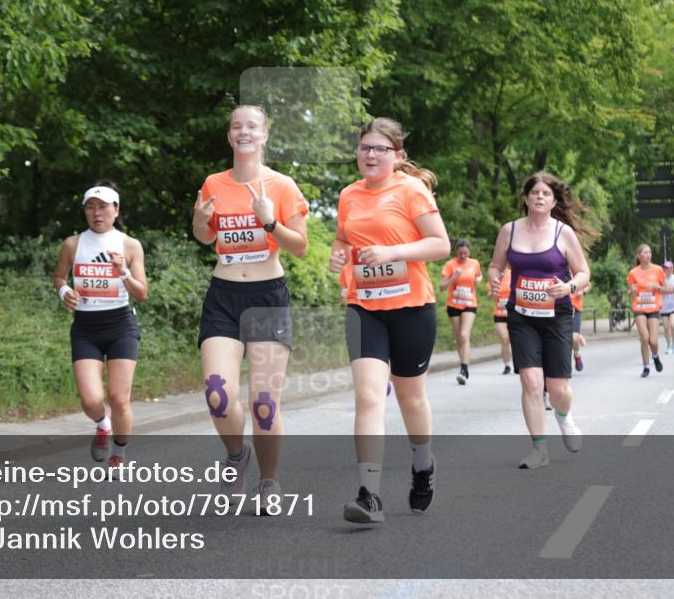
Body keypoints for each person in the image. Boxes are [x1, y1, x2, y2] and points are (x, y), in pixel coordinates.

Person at [330, 117, 450, 524]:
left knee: (410, 399)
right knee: (367, 396)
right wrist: (338, 255)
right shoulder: (348, 195)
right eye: (365, 147)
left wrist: (392, 253)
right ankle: (369, 495)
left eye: (380, 149)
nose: (371, 155)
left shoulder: (411, 190)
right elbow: (343, 239)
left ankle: (423, 465)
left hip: (411, 308)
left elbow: (440, 244)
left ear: (397, 156)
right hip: (364, 307)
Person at [192, 105, 309, 511]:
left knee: (264, 403)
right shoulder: (213, 183)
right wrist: (200, 220)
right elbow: (205, 237)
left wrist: (270, 222)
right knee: (217, 395)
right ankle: (237, 455)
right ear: (229, 136)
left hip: (267, 298)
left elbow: (300, 246)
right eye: (236, 126)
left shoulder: (282, 185)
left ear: (264, 136)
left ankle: (269, 481)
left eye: (252, 126)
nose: (244, 132)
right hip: (223, 297)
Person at [488, 171, 593, 470]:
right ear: (526, 198)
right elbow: (495, 266)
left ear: (553, 202)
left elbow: (583, 272)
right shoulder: (509, 231)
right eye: (535, 192)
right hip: (521, 315)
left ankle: (564, 417)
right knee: (531, 381)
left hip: (556, 316)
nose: (540, 197)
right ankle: (539, 449)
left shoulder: (563, 233)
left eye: (546, 194)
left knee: (557, 389)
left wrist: (569, 287)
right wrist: (494, 279)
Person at [53, 182, 148, 469]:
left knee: (119, 399)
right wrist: (64, 292)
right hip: (86, 328)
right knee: (91, 400)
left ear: (116, 210)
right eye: (91, 207)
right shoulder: (73, 244)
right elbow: (59, 277)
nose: (97, 213)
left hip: (121, 326)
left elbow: (142, 293)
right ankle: (103, 424)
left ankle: (119, 454)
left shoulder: (130, 245)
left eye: (103, 207)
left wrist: (123, 272)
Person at [441, 239, 482, 385]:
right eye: (460, 253)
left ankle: (464, 369)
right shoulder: (450, 265)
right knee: (459, 338)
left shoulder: (474, 263)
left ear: (469, 251)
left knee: (464, 335)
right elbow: (442, 287)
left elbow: (479, 275)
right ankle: (462, 365)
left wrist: (479, 280)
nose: (463, 256)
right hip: (453, 304)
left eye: (466, 253)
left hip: (469, 304)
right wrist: (454, 277)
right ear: (456, 252)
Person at [627, 245, 666, 378]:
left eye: (649, 252)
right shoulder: (633, 273)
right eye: (645, 252)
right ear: (639, 256)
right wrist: (632, 291)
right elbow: (629, 292)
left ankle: (655, 356)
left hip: (653, 308)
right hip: (639, 308)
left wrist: (657, 287)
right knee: (644, 338)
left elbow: (665, 289)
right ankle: (646, 367)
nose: (648, 254)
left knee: (653, 341)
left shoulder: (658, 270)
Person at [489, 266, 513, 375]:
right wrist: (493, 291)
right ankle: (507, 365)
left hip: (513, 314)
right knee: (505, 339)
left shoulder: (514, 273)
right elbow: (490, 296)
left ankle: (519, 363)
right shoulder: (494, 275)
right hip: (499, 313)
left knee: (515, 340)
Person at [571, 282, 592, 371]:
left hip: (575, 308)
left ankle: (576, 354)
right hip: (561, 307)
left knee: (575, 337)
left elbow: (588, 285)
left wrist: (583, 292)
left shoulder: (577, 274)